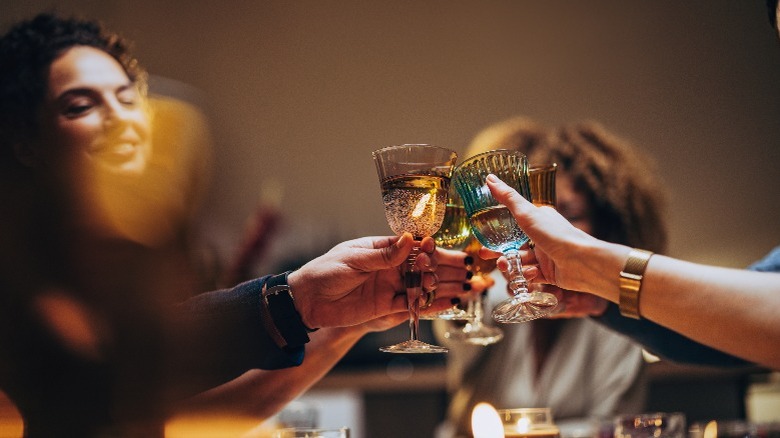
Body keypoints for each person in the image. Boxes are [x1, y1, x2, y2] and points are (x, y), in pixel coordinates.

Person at [0, 13, 482, 436]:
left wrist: (350, 321)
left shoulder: (127, 274)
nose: (122, 120)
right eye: (80, 106)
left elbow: (170, 421)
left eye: (128, 99)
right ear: (26, 141)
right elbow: (90, 385)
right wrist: (297, 299)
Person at [436, 117, 666, 437]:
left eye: (569, 215)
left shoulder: (616, 312)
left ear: (605, 225)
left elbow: (615, 428)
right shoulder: (499, 287)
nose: (549, 230)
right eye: (534, 214)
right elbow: (460, 337)